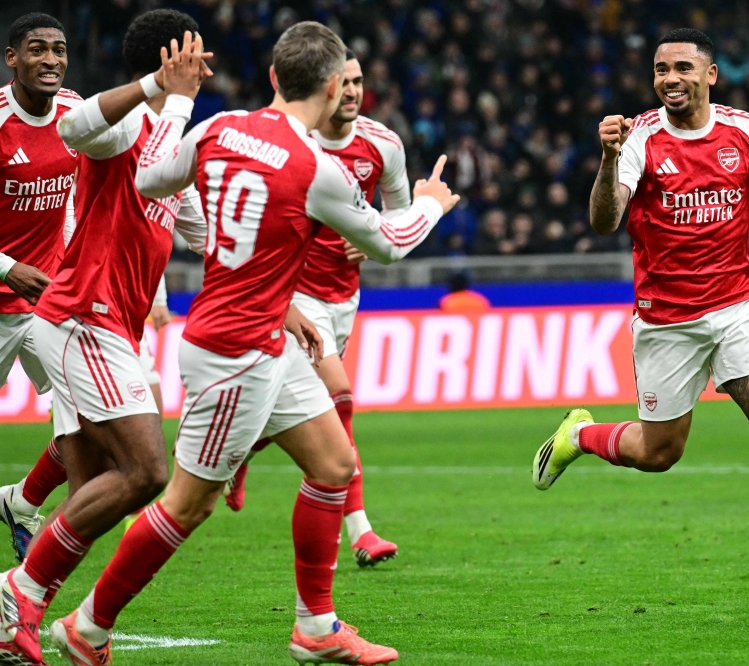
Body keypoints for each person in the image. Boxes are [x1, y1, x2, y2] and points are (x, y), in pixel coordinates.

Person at [49, 22, 457, 665]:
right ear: (331, 87)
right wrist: (432, 204)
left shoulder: (220, 128)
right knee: (186, 503)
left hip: (262, 333)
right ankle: (89, 627)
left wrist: (179, 101)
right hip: (232, 354)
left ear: (272, 77)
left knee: (333, 465)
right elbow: (387, 243)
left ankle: (316, 629)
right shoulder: (315, 167)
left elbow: (152, 179)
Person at [532, 29, 749, 614]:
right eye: (661, 69)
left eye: (682, 68)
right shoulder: (639, 138)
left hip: (738, 307)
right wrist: (609, 158)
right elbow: (604, 221)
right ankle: (580, 436)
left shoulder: (748, 131)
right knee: (659, 453)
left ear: (711, 74)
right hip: (667, 321)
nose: (670, 78)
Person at [0, 11, 208, 665]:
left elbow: (203, 233)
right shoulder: (125, 124)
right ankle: (20, 593)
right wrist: (157, 87)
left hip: (104, 322)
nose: (204, 70)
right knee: (145, 470)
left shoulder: (176, 141)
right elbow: (71, 127)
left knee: (87, 484)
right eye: (194, 57)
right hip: (78, 315)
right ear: (169, 60)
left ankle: (30, 621)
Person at [225, 49, 404, 568]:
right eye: (341, 82)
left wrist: (372, 239)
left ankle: (241, 448)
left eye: (358, 82)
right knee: (340, 398)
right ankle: (362, 531)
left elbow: (395, 220)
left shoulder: (383, 145)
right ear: (324, 87)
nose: (351, 91)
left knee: (308, 408)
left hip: (344, 297)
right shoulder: (289, 142)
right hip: (295, 295)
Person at [0, 12, 80, 566]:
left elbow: (73, 201)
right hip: (6, 291)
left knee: (98, 417)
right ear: (12, 59)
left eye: (58, 49)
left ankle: (21, 501)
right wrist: (6, 268)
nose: (50, 59)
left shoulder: (77, 114)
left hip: (48, 300)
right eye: (36, 49)